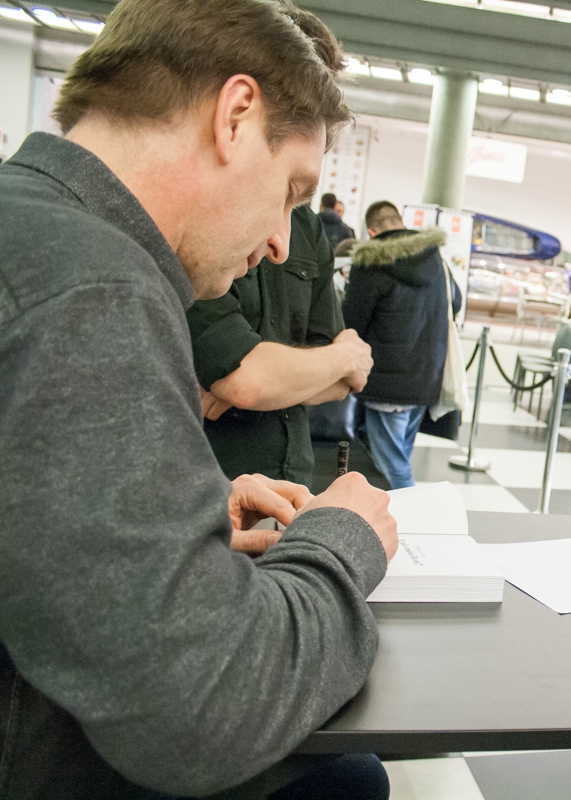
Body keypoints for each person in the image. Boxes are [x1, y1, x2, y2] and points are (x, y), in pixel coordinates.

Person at [0, 1, 401, 796]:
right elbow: (206, 710)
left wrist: (175, 505)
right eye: (290, 189)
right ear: (236, 114)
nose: (285, 241)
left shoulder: (31, 232)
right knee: (350, 781)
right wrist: (340, 543)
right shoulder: (94, 287)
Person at [187, 203, 372, 486]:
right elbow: (246, 383)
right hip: (210, 478)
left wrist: (264, 376)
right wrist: (346, 357)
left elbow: (341, 384)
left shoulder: (306, 225)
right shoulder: (208, 214)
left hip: (294, 475)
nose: (280, 246)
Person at [342, 200, 459, 489]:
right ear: (402, 223)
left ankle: (413, 518)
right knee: (400, 455)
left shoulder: (370, 262)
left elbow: (351, 323)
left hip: (386, 379)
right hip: (426, 374)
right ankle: (398, 520)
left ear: (371, 231)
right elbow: (454, 302)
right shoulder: (434, 256)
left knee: (391, 465)